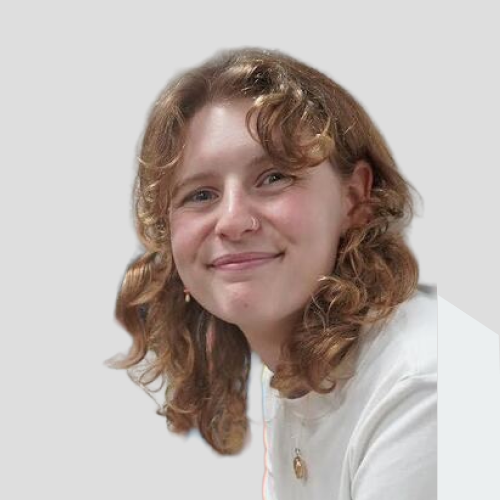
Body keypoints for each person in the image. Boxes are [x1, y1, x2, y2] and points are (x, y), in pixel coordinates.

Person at [108, 47, 437, 500]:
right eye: (200, 195)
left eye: (273, 177)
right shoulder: (295, 370)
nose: (232, 221)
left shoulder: (422, 387)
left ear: (354, 198)